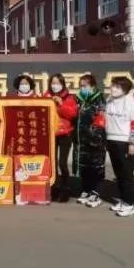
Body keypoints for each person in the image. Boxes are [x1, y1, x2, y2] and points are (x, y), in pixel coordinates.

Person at [104, 76, 134, 217]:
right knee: (119, 174)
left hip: (125, 142)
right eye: (113, 86)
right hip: (111, 140)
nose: (114, 89)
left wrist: (133, 143)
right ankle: (123, 199)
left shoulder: (130, 102)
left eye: (118, 87)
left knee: (126, 175)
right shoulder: (109, 100)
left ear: (125, 90)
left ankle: (129, 204)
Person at [43, 73, 78, 202]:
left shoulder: (69, 97)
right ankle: (54, 187)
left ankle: (65, 188)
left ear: (62, 84)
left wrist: (61, 103)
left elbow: (72, 114)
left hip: (65, 134)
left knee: (62, 162)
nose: (55, 86)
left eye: (58, 83)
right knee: (52, 163)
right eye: (53, 83)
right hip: (50, 134)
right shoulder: (46, 96)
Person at [73, 74, 106, 208]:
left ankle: (96, 192)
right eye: (81, 86)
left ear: (92, 86)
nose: (82, 88)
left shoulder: (99, 98)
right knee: (84, 166)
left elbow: (102, 119)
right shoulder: (80, 99)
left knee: (96, 167)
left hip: (95, 140)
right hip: (82, 140)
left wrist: (94, 134)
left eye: (85, 86)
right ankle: (86, 190)